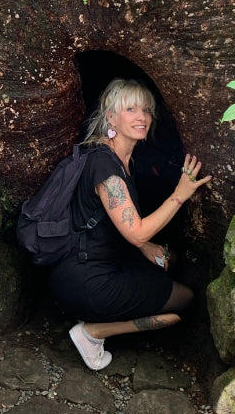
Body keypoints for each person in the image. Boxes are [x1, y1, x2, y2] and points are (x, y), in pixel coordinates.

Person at [48, 78, 212, 370]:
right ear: (110, 116)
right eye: (131, 109)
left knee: (169, 259)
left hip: (84, 267)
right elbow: (135, 232)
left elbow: (113, 226)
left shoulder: (113, 157)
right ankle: (92, 332)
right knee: (182, 302)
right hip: (87, 282)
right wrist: (180, 194)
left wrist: (146, 247)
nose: (142, 117)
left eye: (147, 110)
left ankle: (99, 319)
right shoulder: (105, 166)